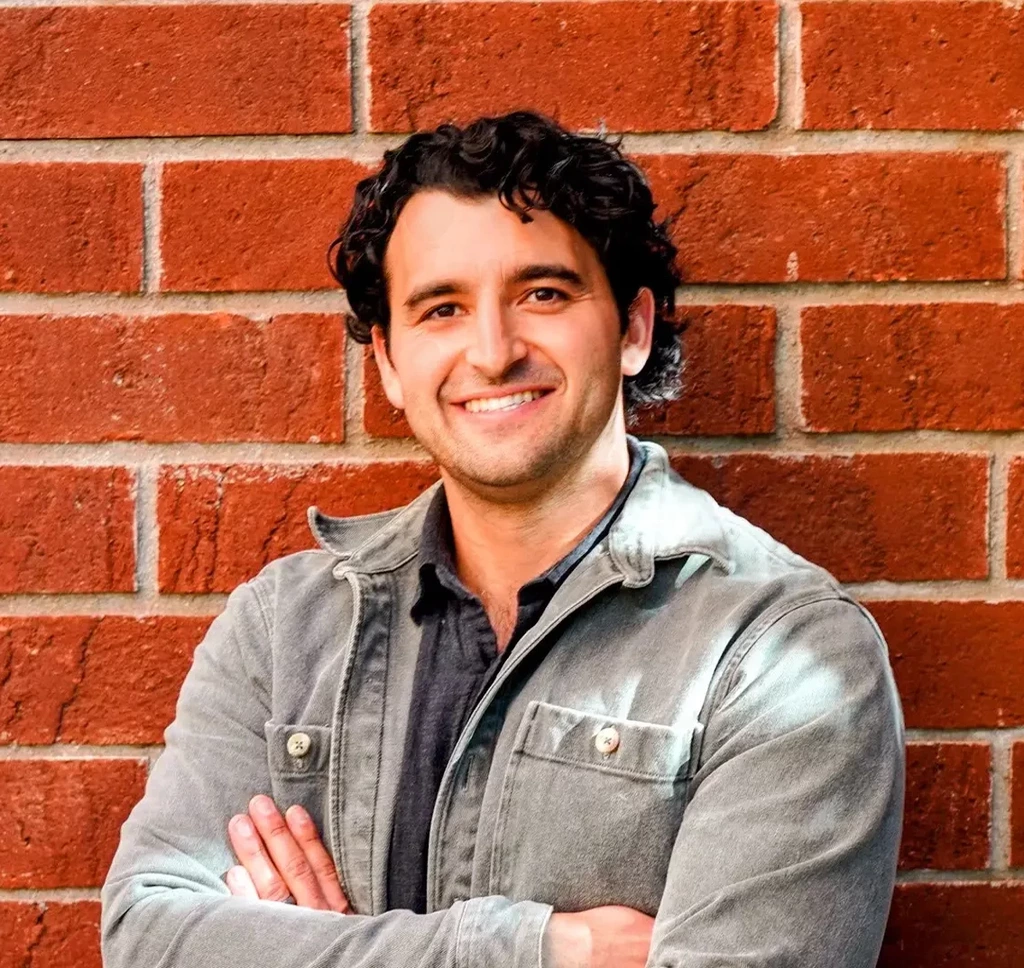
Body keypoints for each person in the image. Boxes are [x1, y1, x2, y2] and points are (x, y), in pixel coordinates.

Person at [101, 111, 905, 968]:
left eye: (543, 294)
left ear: (632, 330)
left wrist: (311, 949)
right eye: (442, 308)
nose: (492, 352)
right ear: (388, 364)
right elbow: (148, 938)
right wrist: (539, 949)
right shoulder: (285, 631)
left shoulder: (781, 652)